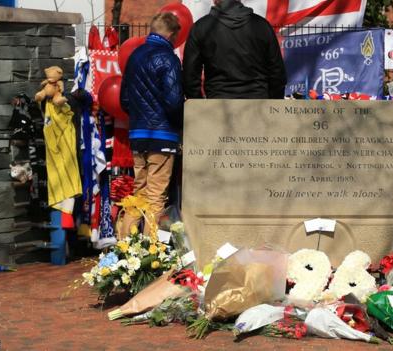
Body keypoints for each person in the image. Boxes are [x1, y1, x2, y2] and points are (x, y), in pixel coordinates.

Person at [119, 12, 184, 236]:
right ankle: (151, 251)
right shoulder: (169, 58)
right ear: (172, 33)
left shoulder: (135, 56)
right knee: (157, 196)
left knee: (139, 191)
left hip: (138, 134)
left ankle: (124, 249)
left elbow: (124, 99)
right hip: (163, 135)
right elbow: (174, 101)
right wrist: (178, 125)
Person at [183, 0, 286, 99]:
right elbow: (277, 73)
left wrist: (198, 104)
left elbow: (190, 75)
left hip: (218, 104)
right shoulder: (262, 25)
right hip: (256, 102)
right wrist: (272, 102)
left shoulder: (200, 27)